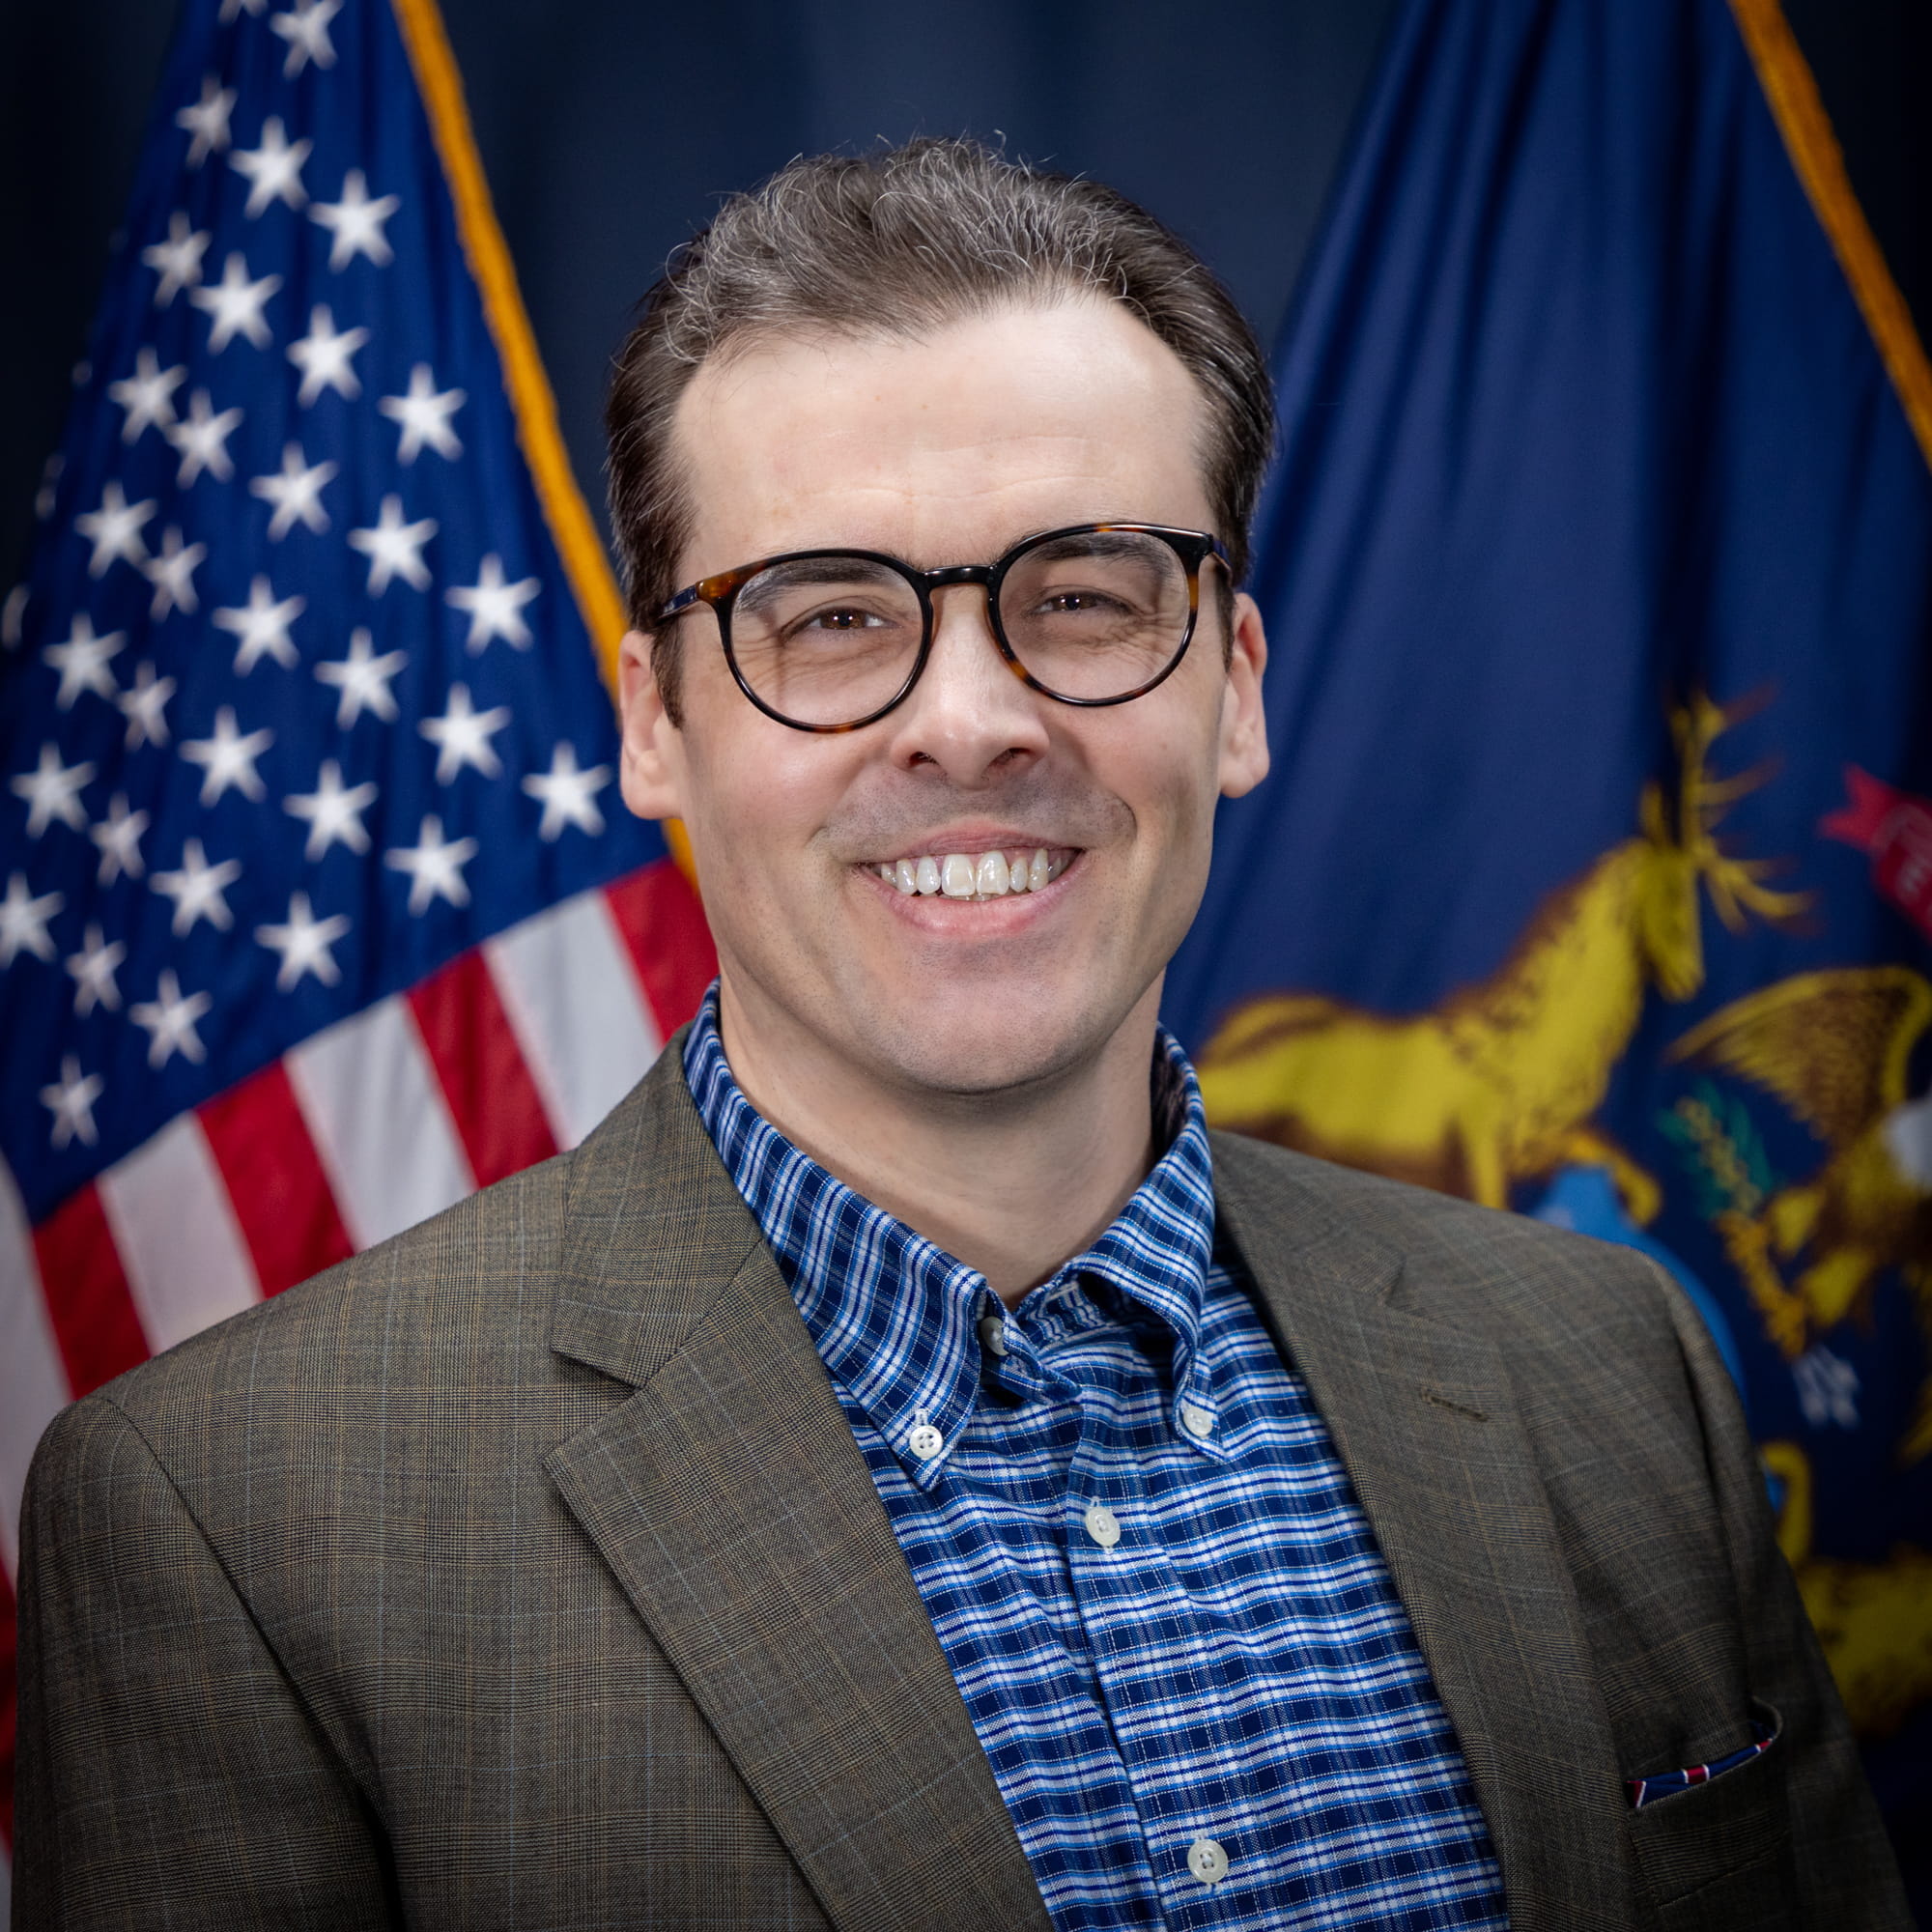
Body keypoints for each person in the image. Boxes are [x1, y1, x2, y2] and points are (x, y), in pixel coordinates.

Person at [14, 138, 1907, 1931]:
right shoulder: (234, 1523)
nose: (973, 721)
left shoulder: (1611, 1363)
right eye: (830, 619)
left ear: (1235, 688)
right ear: (654, 724)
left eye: (1081, 598)